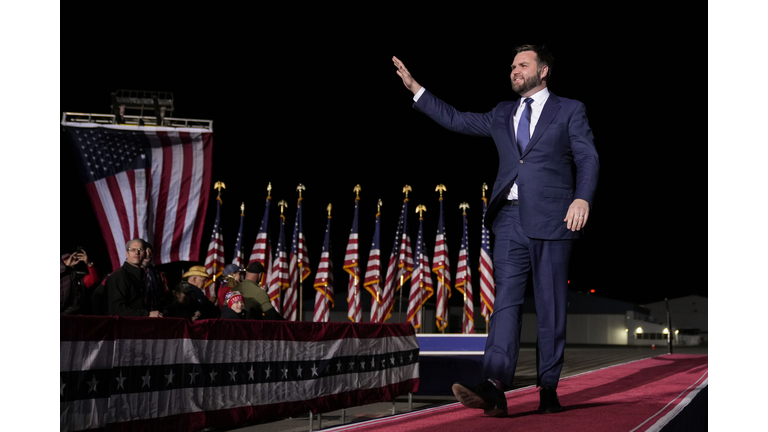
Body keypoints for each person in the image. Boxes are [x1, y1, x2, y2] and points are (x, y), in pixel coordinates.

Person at [393, 45, 599, 417]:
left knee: (551, 306)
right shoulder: (503, 113)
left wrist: (582, 199)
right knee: (505, 302)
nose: (514, 69)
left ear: (544, 70)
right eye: (512, 66)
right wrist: (416, 89)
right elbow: (456, 119)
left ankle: (548, 387)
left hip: (555, 219)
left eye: (523, 64)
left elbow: (587, 156)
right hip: (508, 220)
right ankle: (494, 386)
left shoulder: (570, 109)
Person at [105, 239, 163, 317]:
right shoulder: (118, 276)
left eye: (140, 249)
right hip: (124, 326)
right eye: (132, 249)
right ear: (127, 254)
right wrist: (147, 314)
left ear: (145, 254)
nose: (137, 252)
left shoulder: (143, 276)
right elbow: (116, 309)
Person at [60, 248, 100, 315]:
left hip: (73, 315)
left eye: (72, 258)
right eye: (66, 259)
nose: (70, 260)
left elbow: (94, 280)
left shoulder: (79, 276)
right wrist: (66, 267)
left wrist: (88, 262)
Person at [141, 241, 172, 313]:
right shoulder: (128, 274)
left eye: (150, 252)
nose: (148, 254)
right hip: (136, 316)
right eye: (145, 252)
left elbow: (167, 296)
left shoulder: (160, 275)